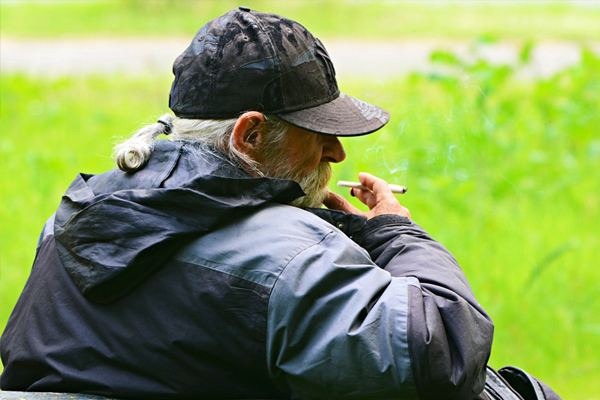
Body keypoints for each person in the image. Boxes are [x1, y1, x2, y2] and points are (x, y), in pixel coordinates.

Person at [0, 7, 559, 400]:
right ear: (249, 136)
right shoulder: (293, 258)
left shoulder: (70, 220)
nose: (336, 152)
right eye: (317, 132)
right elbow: (445, 359)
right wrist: (395, 233)